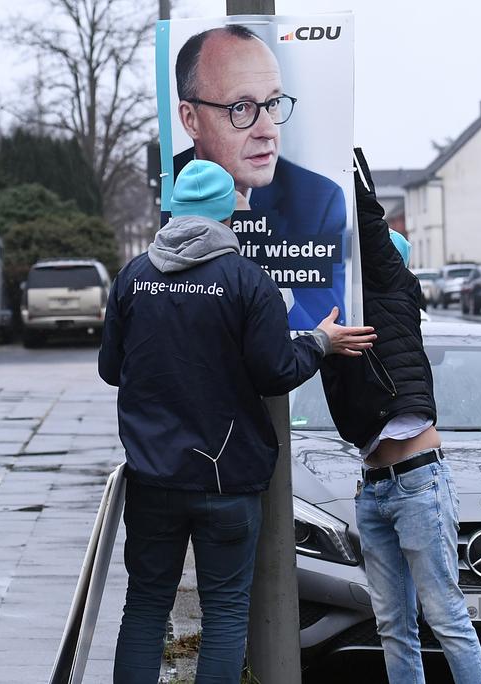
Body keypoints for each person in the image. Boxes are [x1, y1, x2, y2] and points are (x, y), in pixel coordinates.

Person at [98, 159, 376, 684]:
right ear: (229, 211)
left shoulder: (132, 279)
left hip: (153, 477)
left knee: (145, 604)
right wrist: (321, 341)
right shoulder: (247, 281)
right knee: (226, 610)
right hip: (228, 479)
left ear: (174, 210)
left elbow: (111, 369)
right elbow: (277, 372)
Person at [321, 149, 481, 684]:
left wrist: (343, 161)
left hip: (419, 480)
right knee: (394, 623)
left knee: (446, 617)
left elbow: (369, 225)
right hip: (373, 486)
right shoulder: (344, 317)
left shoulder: (394, 288)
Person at [171, 24, 347, 330]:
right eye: (241, 108)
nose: (268, 130)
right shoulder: (170, 186)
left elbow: (325, 330)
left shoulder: (317, 200)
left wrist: (250, 247)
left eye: (274, 103)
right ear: (190, 119)